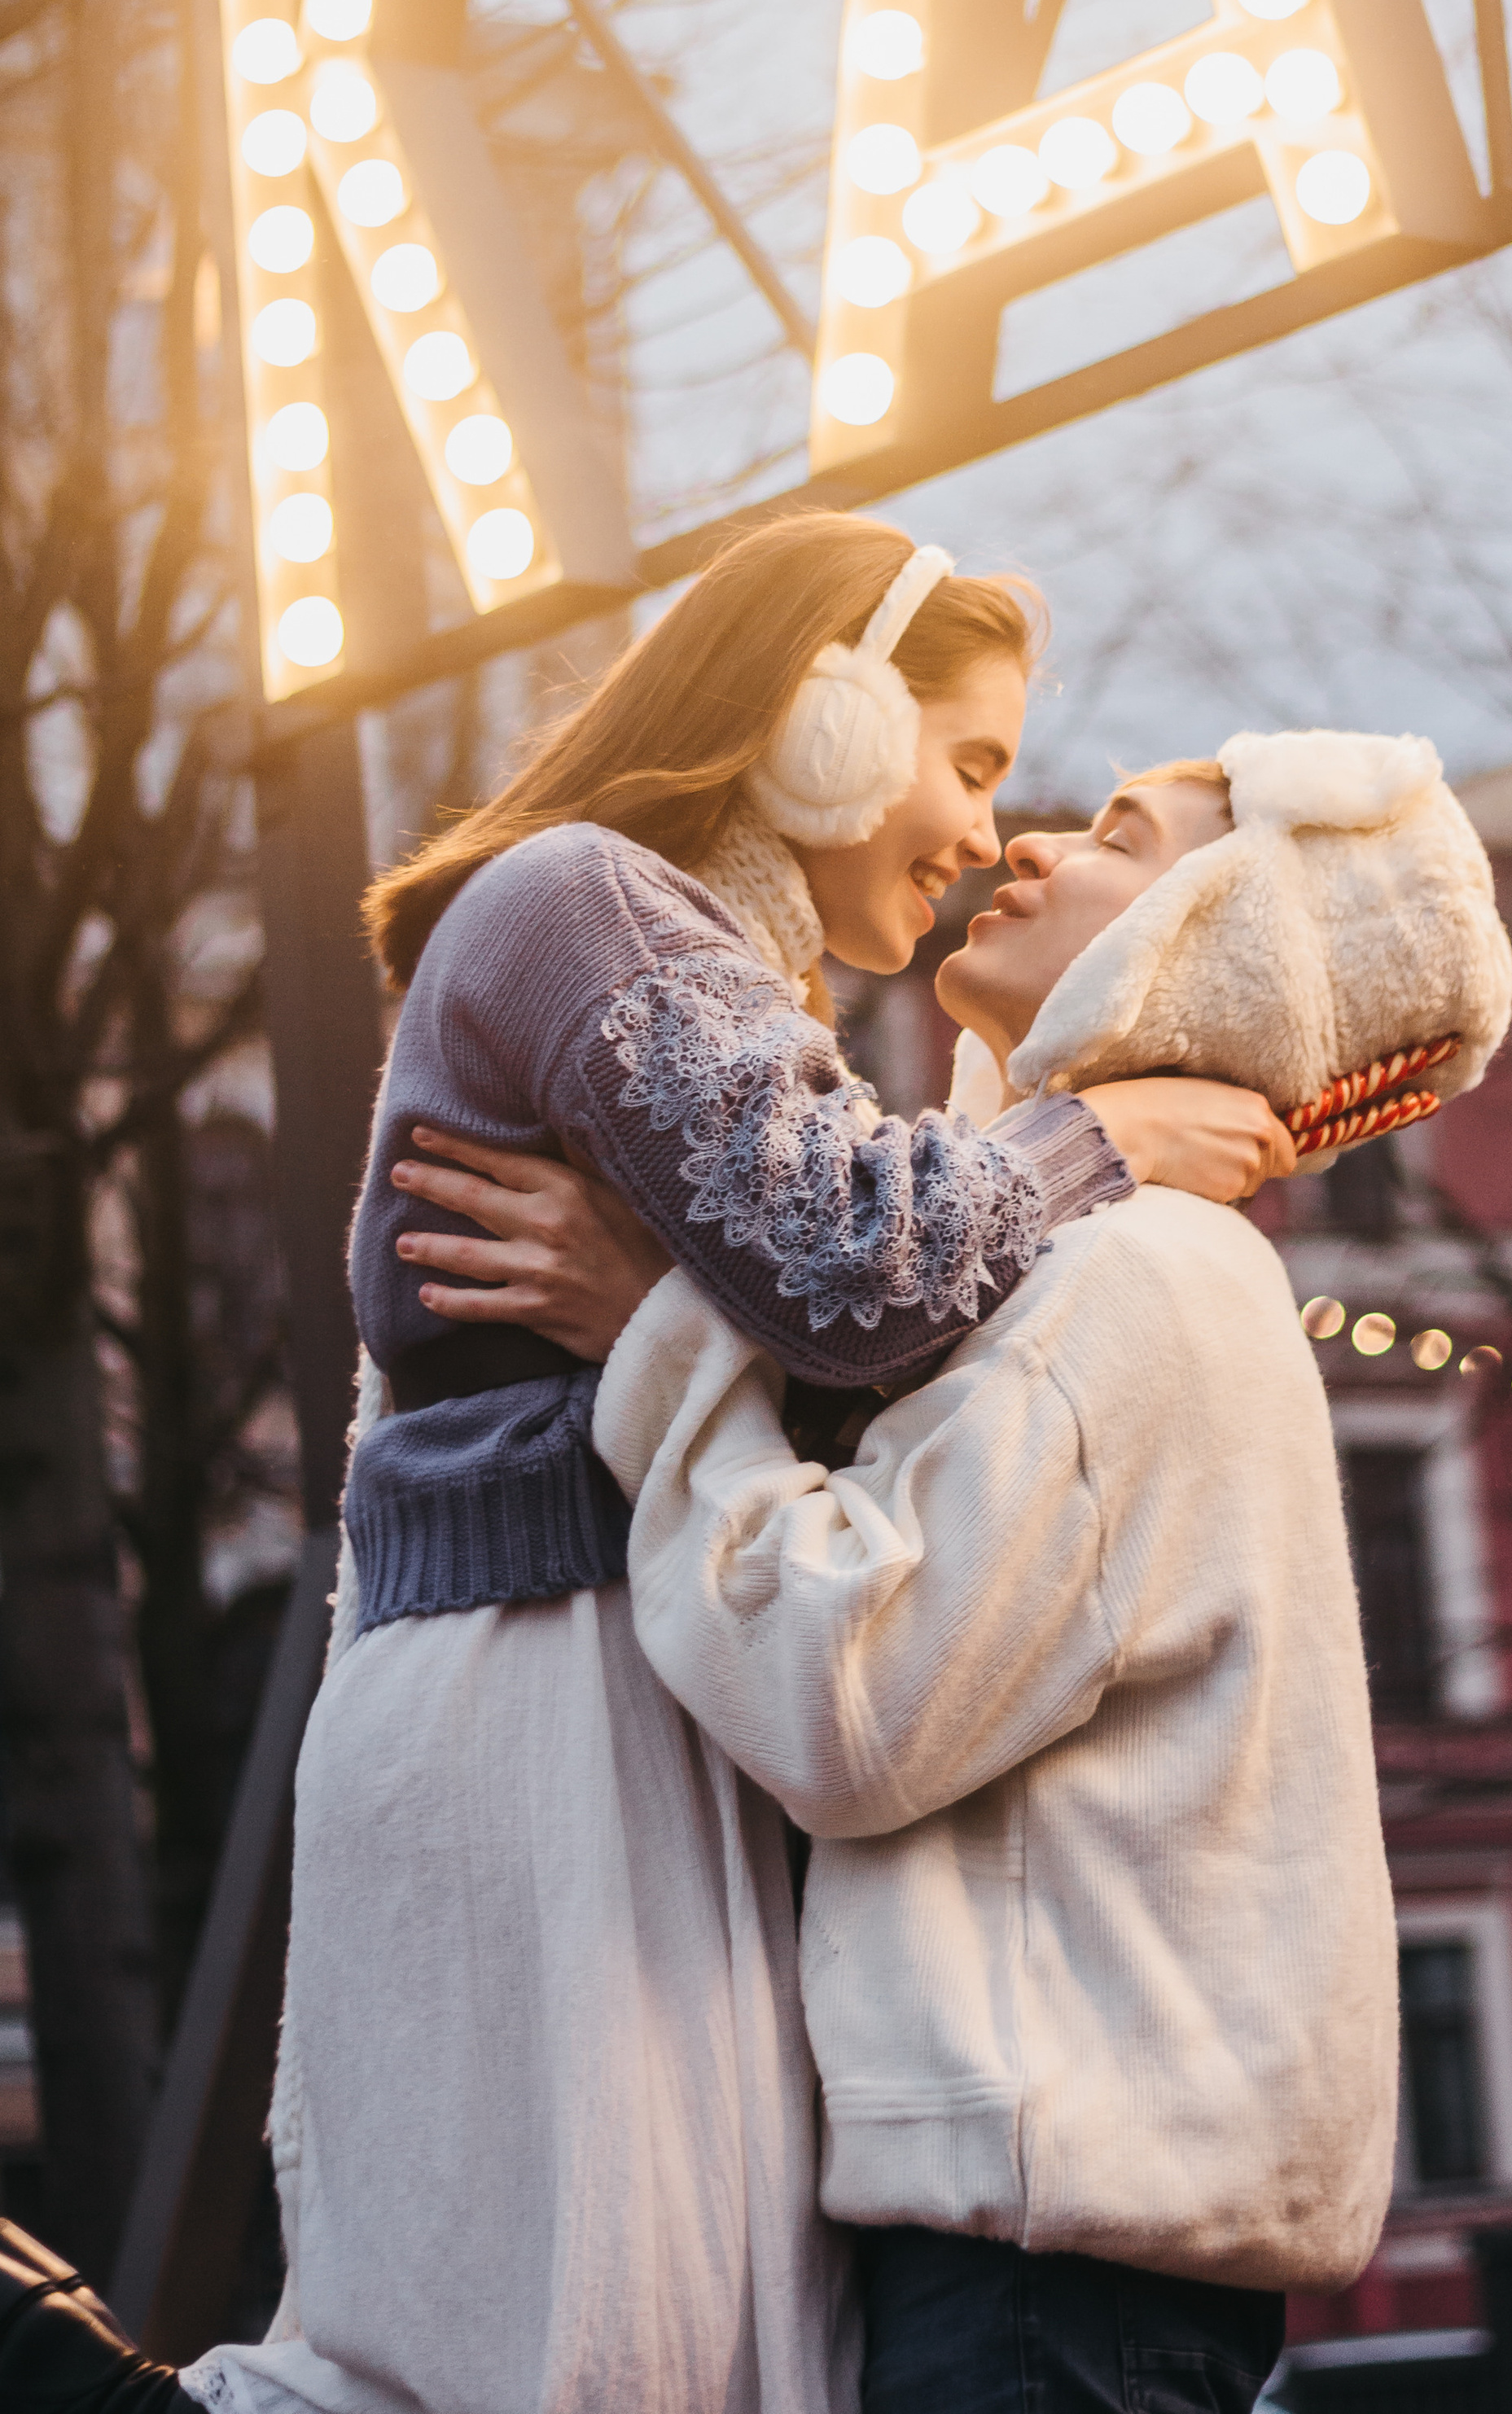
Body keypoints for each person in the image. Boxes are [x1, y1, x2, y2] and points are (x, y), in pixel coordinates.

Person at [98, 513, 1284, 2414]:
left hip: (611, 1684)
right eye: (967, 760)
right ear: (818, 712)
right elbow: (853, 1267)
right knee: (573, 2361)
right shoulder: (591, 903)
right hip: (531, 1681)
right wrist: (1096, 1134)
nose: (985, 831)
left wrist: (655, 1295)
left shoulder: (720, 986)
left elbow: (826, 1328)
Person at [437, 727, 1512, 2414]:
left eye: (1113, 833)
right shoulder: (1106, 1275)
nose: (1022, 845)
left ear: (1222, 930)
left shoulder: (1139, 1280)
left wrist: (650, 1335)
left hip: (1042, 2275)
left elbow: (844, 1699)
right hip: (1052, 2257)